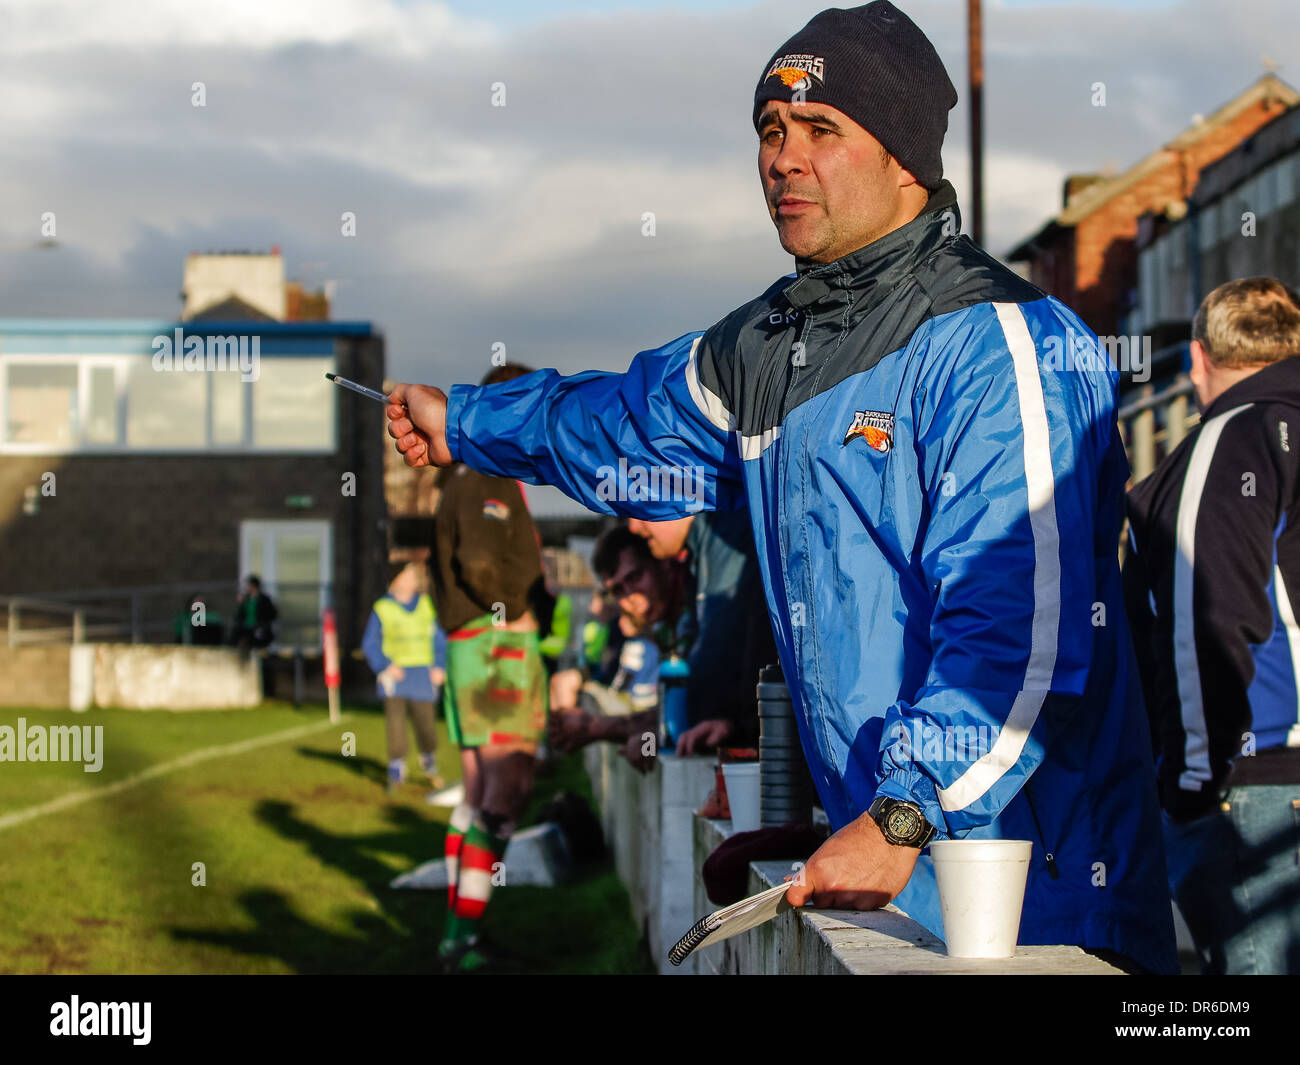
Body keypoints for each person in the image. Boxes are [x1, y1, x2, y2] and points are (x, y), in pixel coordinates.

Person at [387, 2, 1177, 972]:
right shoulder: (765, 346)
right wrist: (465, 422)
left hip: (1036, 895)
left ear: (905, 159)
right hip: (882, 879)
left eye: (820, 131)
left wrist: (902, 812)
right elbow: (622, 420)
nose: (783, 158)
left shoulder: (1002, 343)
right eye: (769, 129)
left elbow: (1019, 629)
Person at [1123, 277, 1300, 974]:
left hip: (1258, 781)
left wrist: (1197, 782)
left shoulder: (1230, 442)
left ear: (1196, 359)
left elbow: (1209, 616)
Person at [429, 362, 549, 972]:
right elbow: (479, 563)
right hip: (495, 646)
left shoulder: (469, 475)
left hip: (473, 646)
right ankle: (462, 938)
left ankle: (457, 935)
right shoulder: (485, 474)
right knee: (507, 790)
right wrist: (518, 613)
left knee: (478, 794)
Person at [627, 511, 778, 754]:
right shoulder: (701, 548)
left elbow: (735, 652)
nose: (633, 525)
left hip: (753, 751)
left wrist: (738, 727)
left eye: (638, 504)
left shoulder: (728, 536)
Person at [548, 526, 685, 772]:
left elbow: (702, 707)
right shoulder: (664, 625)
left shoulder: (694, 608)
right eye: (619, 590)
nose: (631, 595)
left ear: (662, 563)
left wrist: (599, 727)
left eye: (635, 577)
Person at [361, 560, 447, 794]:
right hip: (395, 678)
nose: (414, 578)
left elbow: (439, 639)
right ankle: (396, 771)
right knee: (396, 726)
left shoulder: (427, 605)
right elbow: (370, 643)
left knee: (426, 726)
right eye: (409, 574)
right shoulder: (382, 608)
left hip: (423, 675)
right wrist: (385, 665)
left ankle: (430, 764)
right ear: (396, 579)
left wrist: (440, 666)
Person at [230, 575, 276, 651]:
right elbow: (238, 616)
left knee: (258, 638)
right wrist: (241, 604)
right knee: (236, 635)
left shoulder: (264, 599)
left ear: (254, 586)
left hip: (258, 627)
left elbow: (272, 614)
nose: (247, 587)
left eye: (249, 585)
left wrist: (263, 623)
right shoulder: (246, 599)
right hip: (246, 627)